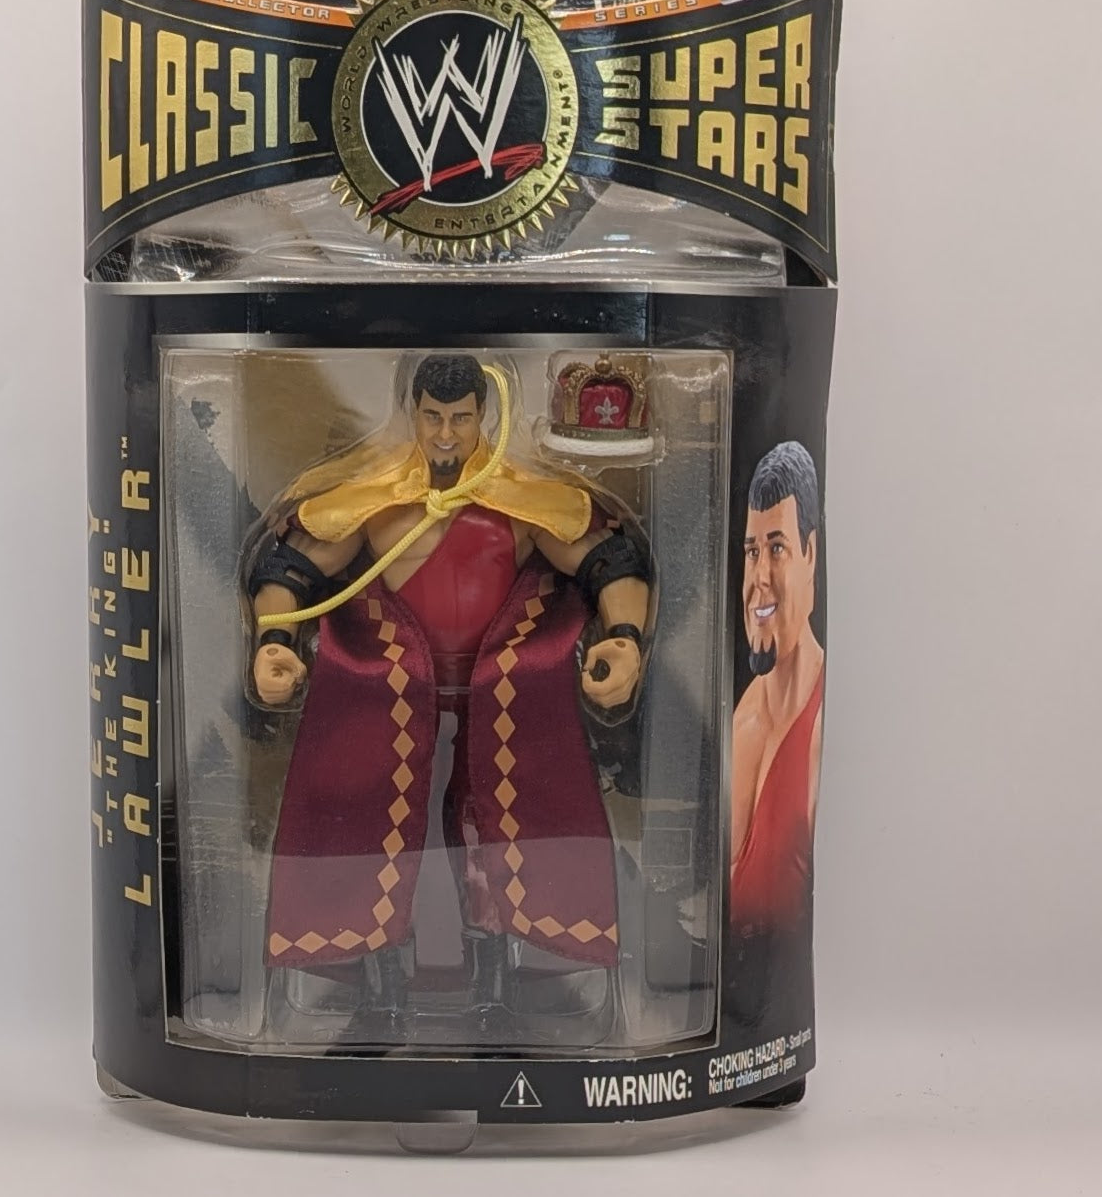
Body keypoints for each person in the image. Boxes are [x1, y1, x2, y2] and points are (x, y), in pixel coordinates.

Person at [247, 354, 651, 1035]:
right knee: (370, 828)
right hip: (390, 692)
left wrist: (625, 636)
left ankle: (497, 986)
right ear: (411, 413)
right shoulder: (375, 499)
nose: (444, 435)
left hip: (497, 691)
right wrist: (275, 641)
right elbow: (290, 564)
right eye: (433, 417)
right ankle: (379, 984)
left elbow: (607, 558)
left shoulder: (521, 500)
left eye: (459, 419)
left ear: (483, 416)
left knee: (488, 835)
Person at [730, 441, 825, 938]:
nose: (759, 578)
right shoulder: (742, 717)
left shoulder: (825, 728)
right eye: (752, 552)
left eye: (777, 548)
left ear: (811, 554)